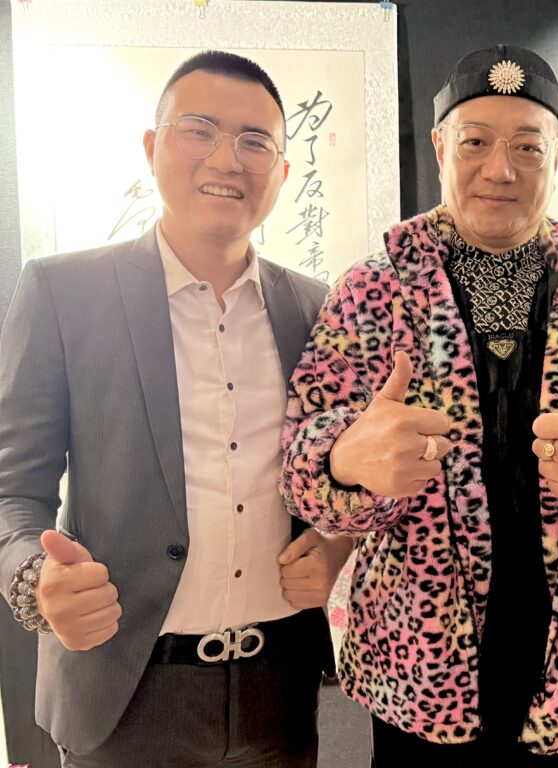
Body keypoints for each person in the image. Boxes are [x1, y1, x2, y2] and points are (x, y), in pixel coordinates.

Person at [280, 44, 558, 767]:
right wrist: (345, 462)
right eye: (475, 142)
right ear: (440, 147)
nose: (500, 169)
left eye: (527, 147)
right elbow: (300, 470)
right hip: (417, 666)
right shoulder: (372, 292)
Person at [0, 50, 353, 767]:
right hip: (124, 691)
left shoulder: (316, 308)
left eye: (255, 141)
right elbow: (11, 491)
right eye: (199, 130)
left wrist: (335, 547)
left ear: (284, 171)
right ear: (152, 147)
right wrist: (36, 578)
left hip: (278, 693)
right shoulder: (65, 293)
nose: (227, 159)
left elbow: (336, 476)